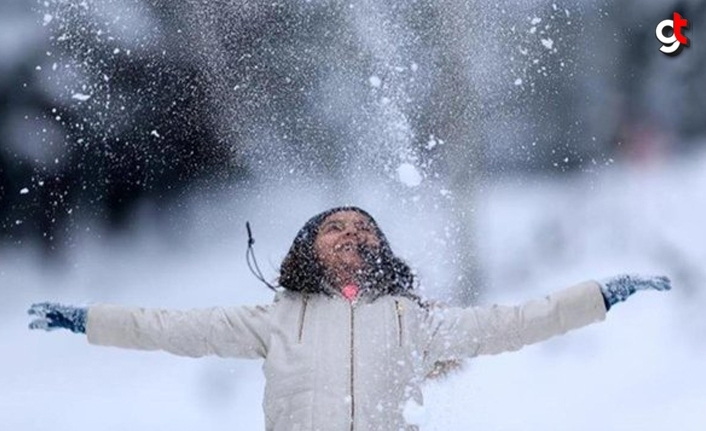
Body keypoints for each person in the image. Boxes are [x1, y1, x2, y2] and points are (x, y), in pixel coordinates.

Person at [28, 206, 671, 431]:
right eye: (334, 227)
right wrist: (87, 319)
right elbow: (167, 327)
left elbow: (515, 322)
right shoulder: (274, 320)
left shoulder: (413, 322)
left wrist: (600, 296)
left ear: (381, 249)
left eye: (364, 228)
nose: (350, 234)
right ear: (308, 248)